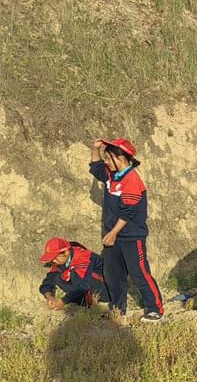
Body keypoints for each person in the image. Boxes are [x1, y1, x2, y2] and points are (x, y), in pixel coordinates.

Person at [89, 138, 164, 322]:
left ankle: (155, 309)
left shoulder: (132, 180)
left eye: (108, 157)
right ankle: (117, 310)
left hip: (131, 237)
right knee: (114, 276)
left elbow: (128, 212)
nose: (105, 161)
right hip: (112, 236)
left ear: (120, 158)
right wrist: (95, 148)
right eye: (105, 157)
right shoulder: (110, 175)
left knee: (139, 273)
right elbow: (95, 166)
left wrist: (113, 233)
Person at [39, 237, 108, 310]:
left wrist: (63, 301)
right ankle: (83, 302)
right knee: (57, 277)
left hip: (105, 287)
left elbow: (83, 286)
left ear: (66, 252)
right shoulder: (59, 261)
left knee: (73, 274)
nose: (53, 261)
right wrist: (49, 297)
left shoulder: (82, 257)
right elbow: (48, 281)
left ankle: (101, 302)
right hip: (85, 287)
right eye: (52, 259)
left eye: (55, 257)